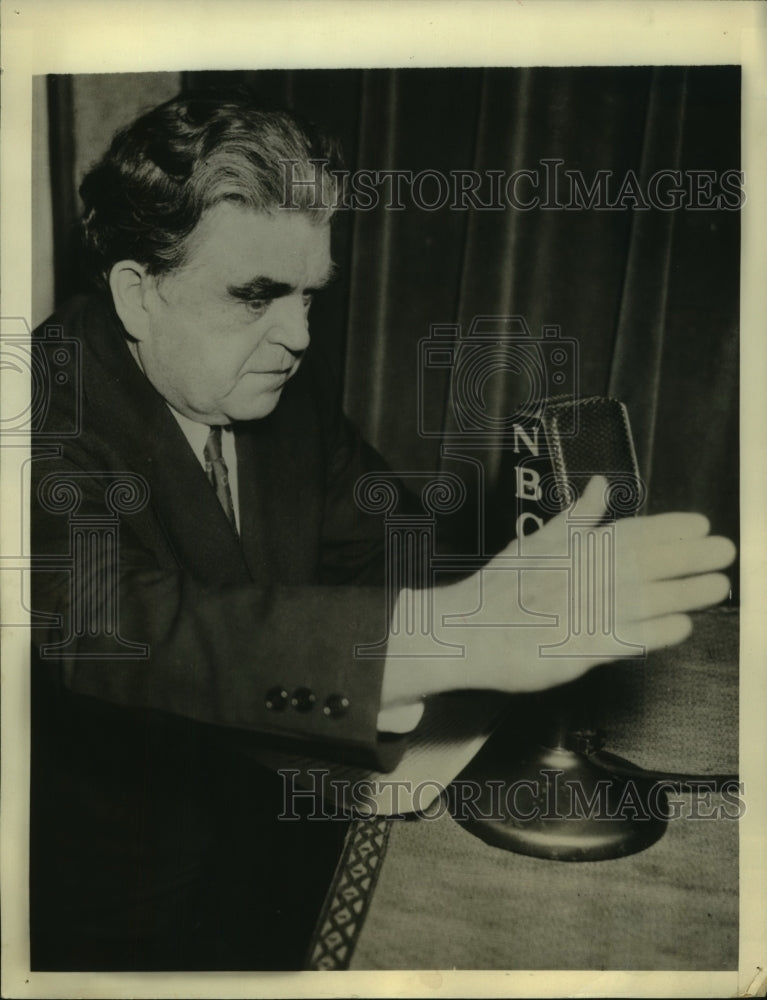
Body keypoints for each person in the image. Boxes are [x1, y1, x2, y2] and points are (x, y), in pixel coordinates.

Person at [30, 89, 736, 971]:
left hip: (289, 838)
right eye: (256, 296)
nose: (297, 334)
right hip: (120, 923)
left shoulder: (264, 370)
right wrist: (444, 638)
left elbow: (381, 531)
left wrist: (511, 568)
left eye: (309, 296)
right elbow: (123, 629)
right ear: (137, 293)